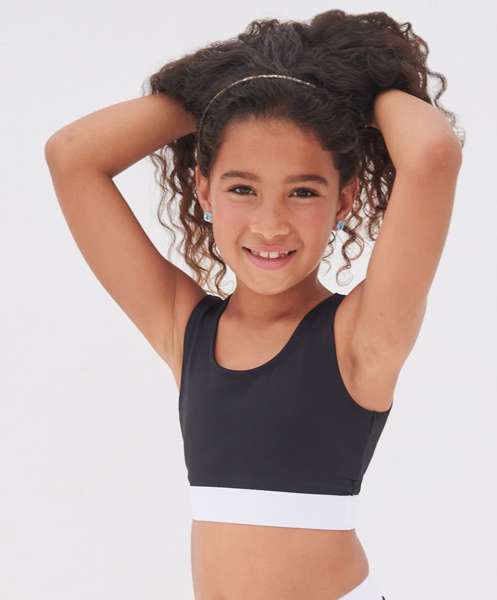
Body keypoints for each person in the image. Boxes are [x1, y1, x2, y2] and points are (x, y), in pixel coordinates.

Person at [45, 9, 464, 600]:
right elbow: (71, 156)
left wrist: (341, 89)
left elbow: (431, 153)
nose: (270, 224)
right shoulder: (186, 329)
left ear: (344, 200)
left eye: (303, 191)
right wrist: (231, 90)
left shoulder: (360, 338)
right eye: (242, 187)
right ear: (203, 188)